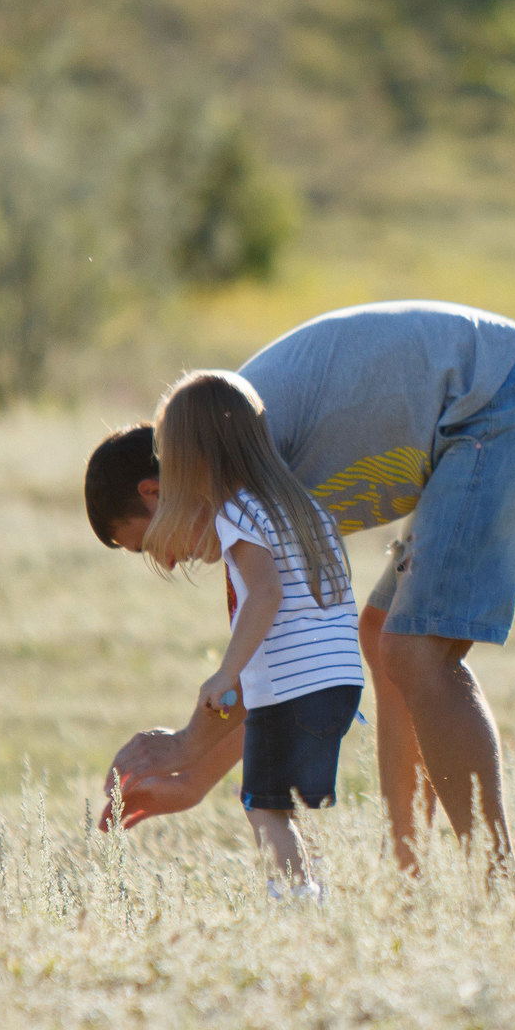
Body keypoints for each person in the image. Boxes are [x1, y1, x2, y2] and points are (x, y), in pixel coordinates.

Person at [86, 302, 515, 884]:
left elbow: (263, 662)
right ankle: (410, 880)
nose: (170, 562)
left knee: (416, 649)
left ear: (154, 492)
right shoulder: (222, 473)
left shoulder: (235, 464)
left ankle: (502, 893)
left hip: (513, 400)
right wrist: (196, 771)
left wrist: (186, 748)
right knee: (385, 634)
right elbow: (282, 672)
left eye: (149, 545)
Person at [144, 369, 363, 898]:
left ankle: (295, 908)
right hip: (340, 680)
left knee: (264, 808)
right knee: (293, 805)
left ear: (192, 457)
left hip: (292, 687)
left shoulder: (236, 512)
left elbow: (265, 594)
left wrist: (226, 672)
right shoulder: (302, 506)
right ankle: (315, 896)